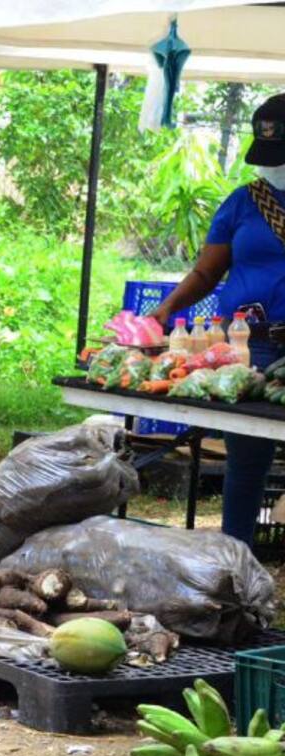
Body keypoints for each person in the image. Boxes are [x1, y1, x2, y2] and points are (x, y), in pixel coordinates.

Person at [151, 94, 285, 546]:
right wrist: (168, 307)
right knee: (247, 461)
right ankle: (235, 560)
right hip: (249, 345)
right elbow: (208, 271)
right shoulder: (244, 202)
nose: (273, 165)